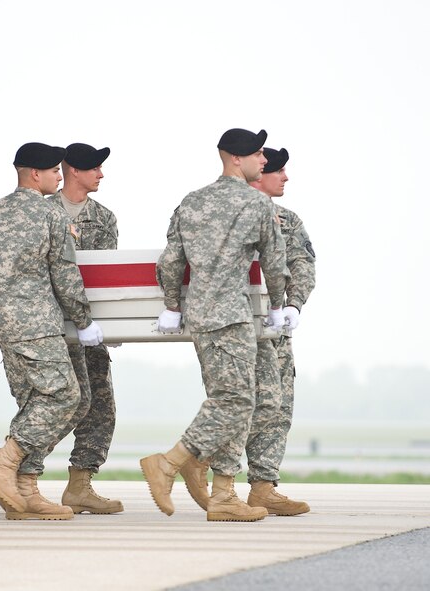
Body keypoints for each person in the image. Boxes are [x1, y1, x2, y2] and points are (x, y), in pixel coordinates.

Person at [144, 128, 288, 522]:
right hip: (232, 315)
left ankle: (225, 492)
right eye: (258, 155)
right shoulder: (255, 204)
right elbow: (275, 262)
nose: (264, 161)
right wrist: (279, 305)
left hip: (202, 316)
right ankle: (171, 462)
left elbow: (170, 261)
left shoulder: (192, 202)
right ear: (237, 159)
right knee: (237, 399)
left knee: (237, 399)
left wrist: (173, 306)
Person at [0, 142, 104, 520]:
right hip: (38, 323)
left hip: (2, 325)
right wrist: (85, 322)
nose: (59, 176)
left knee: (35, 403)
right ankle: (3, 460)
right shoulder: (49, 215)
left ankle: (23, 493)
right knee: (64, 397)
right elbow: (64, 275)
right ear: (36, 174)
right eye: (55, 171)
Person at [44, 142, 123, 514]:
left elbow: (104, 275)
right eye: (95, 168)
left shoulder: (103, 217)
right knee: (65, 402)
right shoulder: (42, 211)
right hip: (49, 326)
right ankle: (14, 463)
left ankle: (80, 484)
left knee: (101, 406)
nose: (101, 174)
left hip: (89, 327)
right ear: (74, 170)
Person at [244, 147, 316, 515]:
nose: (285, 178)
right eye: (279, 171)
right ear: (258, 174)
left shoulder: (287, 219)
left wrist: (293, 304)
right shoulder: (232, 213)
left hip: (277, 330)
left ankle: (263, 486)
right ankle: (199, 463)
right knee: (247, 403)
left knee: (280, 405)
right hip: (240, 326)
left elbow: (302, 263)